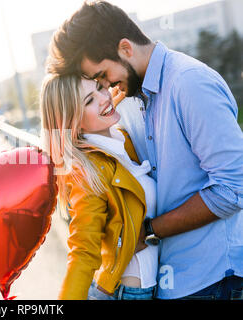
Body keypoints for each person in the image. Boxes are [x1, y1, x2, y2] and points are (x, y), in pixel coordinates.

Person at [46, 0, 243, 300]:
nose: (106, 87)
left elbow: (234, 188)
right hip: (168, 282)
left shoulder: (189, 83)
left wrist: (149, 229)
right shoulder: (131, 97)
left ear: (125, 48)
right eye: (97, 83)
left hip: (211, 281)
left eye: (102, 76)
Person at [40, 73, 158, 300]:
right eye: (88, 101)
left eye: (100, 88)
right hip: (132, 291)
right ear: (72, 121)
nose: (103, 98)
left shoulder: (120, 140)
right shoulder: (86, 172)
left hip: (158, 281)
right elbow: (83, 249)